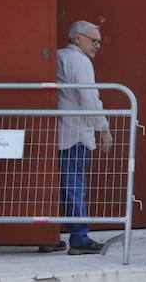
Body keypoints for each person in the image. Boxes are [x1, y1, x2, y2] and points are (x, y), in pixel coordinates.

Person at [43, 20, 113, 256]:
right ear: (77, 38)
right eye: (94, 41)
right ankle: (79, 238)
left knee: (61, 185)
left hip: (61, 132)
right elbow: (89, 98)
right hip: (75, 134)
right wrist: (103, 127)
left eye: (99, 42)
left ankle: (51, 234)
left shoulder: (59, 57)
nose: (97, 46)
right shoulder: (80, 61)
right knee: (74, 185)